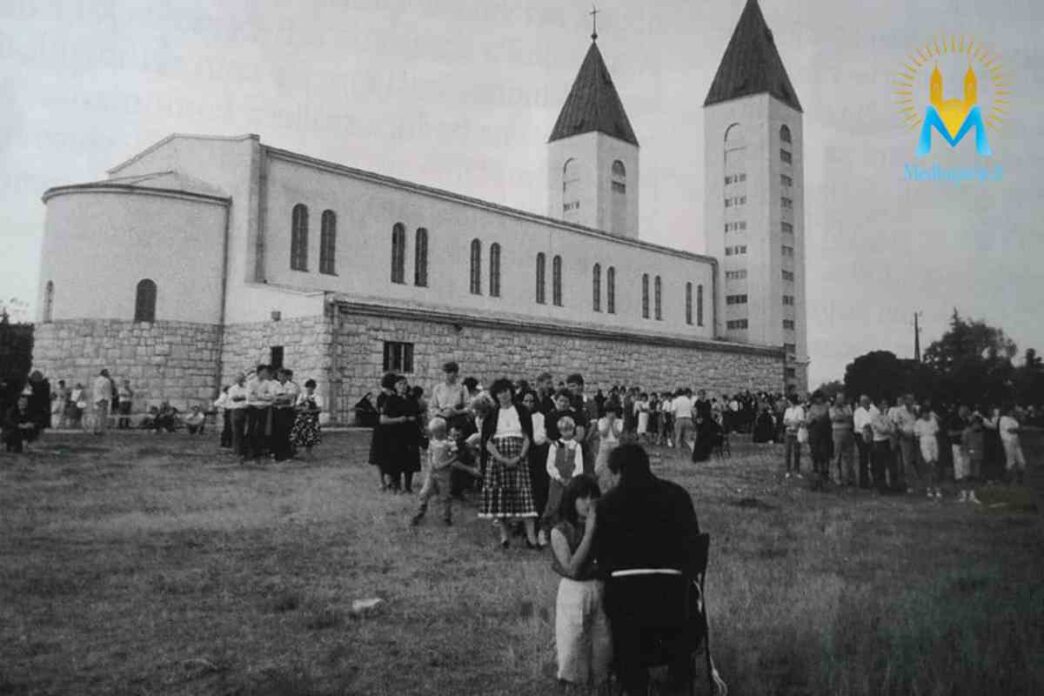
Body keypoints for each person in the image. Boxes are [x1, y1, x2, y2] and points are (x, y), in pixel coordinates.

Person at [592, 444, 702, 696]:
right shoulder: (678, 495)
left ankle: (634, 686)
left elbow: (602, 560)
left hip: (626, 611)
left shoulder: (607, 504)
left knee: (622, 615)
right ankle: (678, 682)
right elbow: (694, 553)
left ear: (618, 471)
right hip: (674, 606)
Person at [550, 475, 612, 692]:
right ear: (571, 500)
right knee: (572, 636)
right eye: (582, 498)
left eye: (592, 498)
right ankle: (572, 682)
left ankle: (600, 681)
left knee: (602, 639)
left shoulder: (602, 527)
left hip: (600, 585)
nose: (588, 503)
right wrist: (589, 534)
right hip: (574, 589)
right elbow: (572, 568)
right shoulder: (560, 531)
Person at [480, 378, 538, 549]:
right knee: (501, 498)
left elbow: (528, 436)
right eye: (499, 393)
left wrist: (519, 457)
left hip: (520, 457)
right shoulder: (491, 414)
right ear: (495, 396)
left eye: (506, 391)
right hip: (498, 459)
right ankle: (504, 537)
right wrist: (502, 458)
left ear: (511, 392)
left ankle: (531, 538)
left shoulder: (522, 410)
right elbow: (487, 442)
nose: (503, 395)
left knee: (525, 497)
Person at [411, 417, 480, 527]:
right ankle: (420, 512)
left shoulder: (449, 443)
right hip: (432, 472)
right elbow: (430, 453)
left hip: (444, 474)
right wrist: (430, 464)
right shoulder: (432, 441)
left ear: (442, 431)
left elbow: (455, 456)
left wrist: (446, 463)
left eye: (436, 433)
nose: (434, 435)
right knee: (424, 492)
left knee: (445, 495)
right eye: (432, 433)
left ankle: (446, 517)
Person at [543, 416, 585, 541]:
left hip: (571, 482)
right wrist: (558, 477)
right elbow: (549, 465)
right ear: (560, 431)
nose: (567, 432)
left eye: (569, 429)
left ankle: (571, 534)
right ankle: (548, 532)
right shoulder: (555, 445)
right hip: (557, 482)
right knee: (553, 505)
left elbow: (579, 465)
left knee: (570, 506)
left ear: (573, 430)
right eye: (564, 430)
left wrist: (572, 478)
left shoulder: (577, 446)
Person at [521, 390, 551, 544]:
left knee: (537, 491)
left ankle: (537, 525)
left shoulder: (540, 417)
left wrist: (526, 442)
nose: (528, 404)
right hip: (519, 455)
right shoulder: (516, 416)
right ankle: (521, 525)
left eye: (531, 401)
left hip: (535, 457)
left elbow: (540, 437)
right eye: (525, 401)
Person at [381, 375, 419, 493]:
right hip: (396, 434)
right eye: (400, 384)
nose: (403, 386)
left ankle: (408, 486)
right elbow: (383, 419)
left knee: (410, 460)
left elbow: (417, 413)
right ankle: (396, 485)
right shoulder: (391, 400)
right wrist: (398, 419)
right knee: (396, 460)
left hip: (410, 433)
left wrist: (414, 419)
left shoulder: (411, 399)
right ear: (395, 386)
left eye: (405, 384)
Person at [369, 374, 397, 490]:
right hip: (382, 429)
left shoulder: (395, 394)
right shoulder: (382, 397)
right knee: (379, 455)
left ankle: (390, 479)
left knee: (390, 455)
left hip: (392, 428)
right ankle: (382, 481)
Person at [431, 361, 471, 431]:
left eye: (450, 372)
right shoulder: (438, 388)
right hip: (442, 420)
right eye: (446, 372)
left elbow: (468, 407)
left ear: (456, 374)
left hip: (457, 421)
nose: (448, 375)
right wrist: (442, 413)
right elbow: (433, 407)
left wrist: (457, 412)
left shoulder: (462, 388)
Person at [870, 397, 898, 493]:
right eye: (883, 404)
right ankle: (881, 487)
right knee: (880, 465)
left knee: (891, 464)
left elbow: (893, 426)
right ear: (878, 405)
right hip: (878, 442)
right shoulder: (874, 416)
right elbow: (881, 429)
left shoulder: (886, 416)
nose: (885, 406)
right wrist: (889, 429)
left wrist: (890, 429)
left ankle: (893, 485)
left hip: (887, 441)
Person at [806, 391, 833, 490]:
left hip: (825, 433)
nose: (818, 400)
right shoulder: (812, 407)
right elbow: (808, 422)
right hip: (814, 433)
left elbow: (830, 418)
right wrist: (812, 419)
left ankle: (824, 475)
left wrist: (822, 418)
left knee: (824, 454)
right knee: (815, 454)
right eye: (817, 398)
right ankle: (815, 477)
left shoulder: (827, 406)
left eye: (820, 397)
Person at [594, 403, 623, 491]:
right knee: (599, 468)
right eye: (609, 412)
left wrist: (612, 424)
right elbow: (604, 434)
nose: (611, 414)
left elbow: (617, 434)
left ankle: (613, 485)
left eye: (613, 412)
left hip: (615, 445)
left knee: (614, 467)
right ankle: (601, 485)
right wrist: (608, 423)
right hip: (604, 445)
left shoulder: (619, 421)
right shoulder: (602, 421)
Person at [290, 379, 323, 458]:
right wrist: (301, 407)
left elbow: (319, 409)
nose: (309, 389)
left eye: (311, 388)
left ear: (314, 388)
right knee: (298, 434)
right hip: (302, 417)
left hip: (312, 418)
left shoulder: (317, 397)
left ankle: (309, 452)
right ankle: (295, 451)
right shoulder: (302, 396)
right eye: (308, 387)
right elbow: (296, 406)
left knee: (310, 436)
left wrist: (311, 409)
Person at [914, 408, 942, 499]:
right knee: (929, 464)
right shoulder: (918, 422)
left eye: (927, 413)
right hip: (924, 442)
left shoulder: (933, 421)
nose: (926, 415)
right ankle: (929, 488)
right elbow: (917, 436)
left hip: (933, 441)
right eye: (924, 413)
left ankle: (936, 487)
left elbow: (936, 431)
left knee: (935, 464)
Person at [829, 393, 856, 486]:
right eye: (839, 399)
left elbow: (851, 418)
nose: (841, 400)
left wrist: (842, 417)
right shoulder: (832, 409)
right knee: (837, 456)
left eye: (842, 398)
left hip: (848, 432)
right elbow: (834, 418)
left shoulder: (848, 407)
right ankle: (837, 477)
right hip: (837, 432)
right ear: (836, 399)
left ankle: (847, 477)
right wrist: (844, 417)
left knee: (848, 456)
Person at [852, 395, 877, 489]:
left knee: (874, 458)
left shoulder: (874, 410)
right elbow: (857, 425)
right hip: (861, 435)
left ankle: (876, 480)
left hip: (873, 435)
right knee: (863, 459)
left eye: (867, 401)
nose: (865, 403)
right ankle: (864, 482)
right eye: (863, 401)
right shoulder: (857, 412)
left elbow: (876, 421)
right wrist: (865, 428)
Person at [960, 415, 984, 504]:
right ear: (973, 424)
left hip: (977, 456)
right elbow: (963, 445)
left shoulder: (981, 433)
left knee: (975, 476)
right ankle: (963, 495)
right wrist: (967, 455)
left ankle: (972, 495)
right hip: (968, 456)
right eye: (977, 424)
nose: (979, 426)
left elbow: (981, 445)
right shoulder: (966, 432)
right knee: (966, 476)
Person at [998, 406, 1026, 484]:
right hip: (1008, 442)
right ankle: (1007, 481)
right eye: (1012, 410)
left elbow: (1018, 428)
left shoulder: (1013, 419)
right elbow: (1011, 430)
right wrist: (1019, 430)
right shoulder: (1003, 419)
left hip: (1016, 442)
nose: (1013, 412)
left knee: (1022, 462)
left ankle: (1019, 480)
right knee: (1010, 462)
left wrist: (1021, 422)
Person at [782, 394, 805, 478]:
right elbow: (784, 421)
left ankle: (797, 470)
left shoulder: (800, 410)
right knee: (788, 452)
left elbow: (801, 421)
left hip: (796, 433)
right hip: (788, 432)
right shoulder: (788, 410)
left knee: (797, 452)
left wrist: (792, 422)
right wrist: (792, 422)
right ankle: (788, 470)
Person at [226, 373, 249, 458]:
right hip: (237, 410)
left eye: (242, 379)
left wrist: (243, 397)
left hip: (246, 410)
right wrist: (244, 397)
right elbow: (235, 399)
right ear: (236, 380)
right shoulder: (232, 389)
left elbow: (250, 397)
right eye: (239, 379)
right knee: (237, 431)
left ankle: (245, 450)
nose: (241, 381)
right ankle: (237, 451)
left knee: (246, 431)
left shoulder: (247, 388)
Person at [671, 388, 695, 453]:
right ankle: (693, 451)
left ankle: (679, 453)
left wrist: (673, 420)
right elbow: (693, 412)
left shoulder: (675, 400)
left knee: (678, 437)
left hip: (679, 419)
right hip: (688, 419)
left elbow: (673, 412)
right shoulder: (688, 400)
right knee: (689, 438)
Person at [91, 369, 112, 435]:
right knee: (103, 416)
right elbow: (107, 391)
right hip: (103, 399)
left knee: (97, 415)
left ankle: (95, 429)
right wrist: (107, 399)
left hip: (96, 399)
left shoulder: (96, 380)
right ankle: (102, 430)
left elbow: (95, 390)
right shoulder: (106, 380)